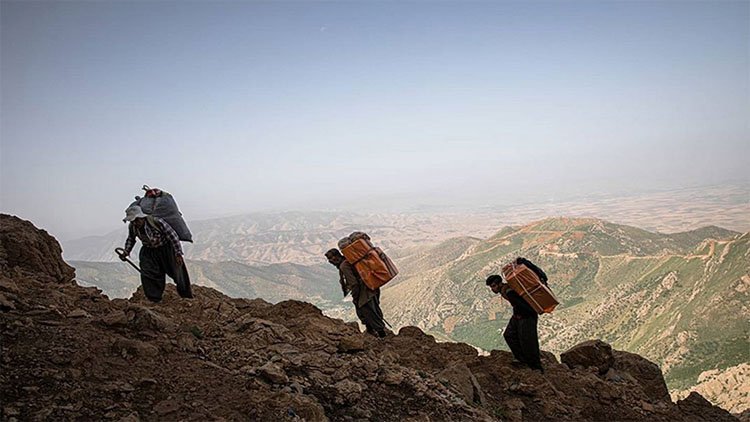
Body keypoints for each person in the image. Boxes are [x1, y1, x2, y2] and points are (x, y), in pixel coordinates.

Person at [118, 205, 193, 302]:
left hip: (166, 249)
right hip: (149, 251)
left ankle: (186, 296)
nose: (135, 223)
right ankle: (154, 299)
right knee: (149, 274)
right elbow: (131, 239)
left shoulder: (157, 222)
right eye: (132, 221)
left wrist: (178, 253)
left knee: (177, 271)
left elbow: (173, 236)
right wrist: (126, 251)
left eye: (136, 220)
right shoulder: (133, 227)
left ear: (142, 217)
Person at [486, 257, 548, 372]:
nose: (492, 289)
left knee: (528, 341)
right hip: (520, 316)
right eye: (491, 287)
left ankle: (536, 367)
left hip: (526, 316)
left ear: (498, 284)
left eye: (493, 286)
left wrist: (520, 315)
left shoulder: (509, 291)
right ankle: (522, 359)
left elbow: (520, 304)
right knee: (509, 335)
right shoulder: (506, 290)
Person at [325, 248, 386, 338]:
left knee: (368, 312)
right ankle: (371, 331)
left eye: (331, 258)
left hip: (364, 292)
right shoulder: (348, 261)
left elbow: (354, 283)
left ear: (336, 257)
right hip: (371, 287)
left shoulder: (344, 266)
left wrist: (356, 297)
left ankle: (382, 335)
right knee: (372, 310)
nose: (330, 261)